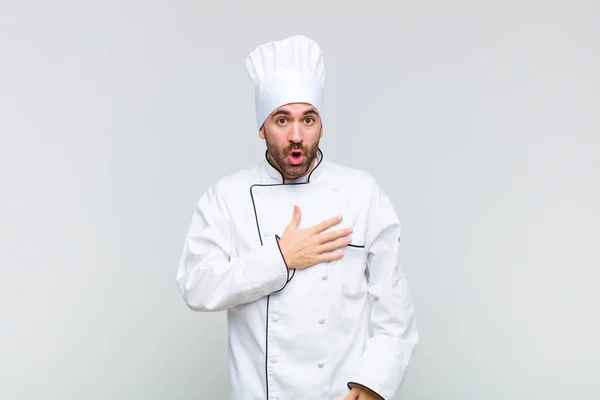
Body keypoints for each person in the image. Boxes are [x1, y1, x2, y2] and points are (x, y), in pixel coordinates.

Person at [176, 35, 418, 400]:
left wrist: (374, 385)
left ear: (321, 125)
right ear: (261, 128)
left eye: (308, 120)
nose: (296, 136)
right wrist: (280, 258)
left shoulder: (361, 193)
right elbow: (196, 285)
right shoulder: (227, 197)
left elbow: (394, 307)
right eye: (281, 120)